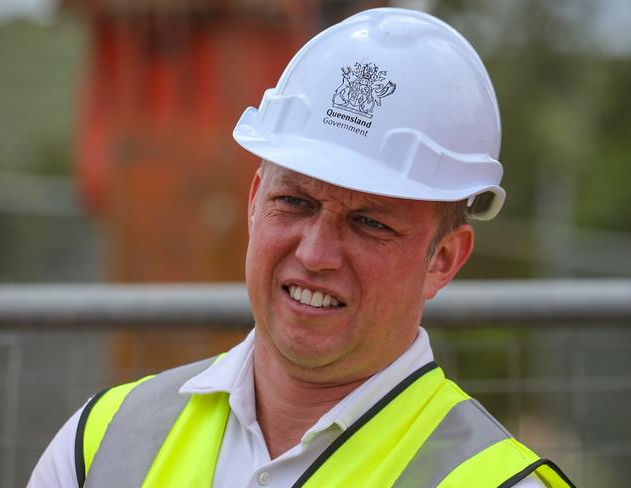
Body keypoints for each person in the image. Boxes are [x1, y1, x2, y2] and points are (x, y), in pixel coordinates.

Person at [29, 8, 575, 487]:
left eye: (369, 223)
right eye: (294, 202)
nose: (316, 254)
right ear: (253, 201)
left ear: (444, 259)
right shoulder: (95, 449)